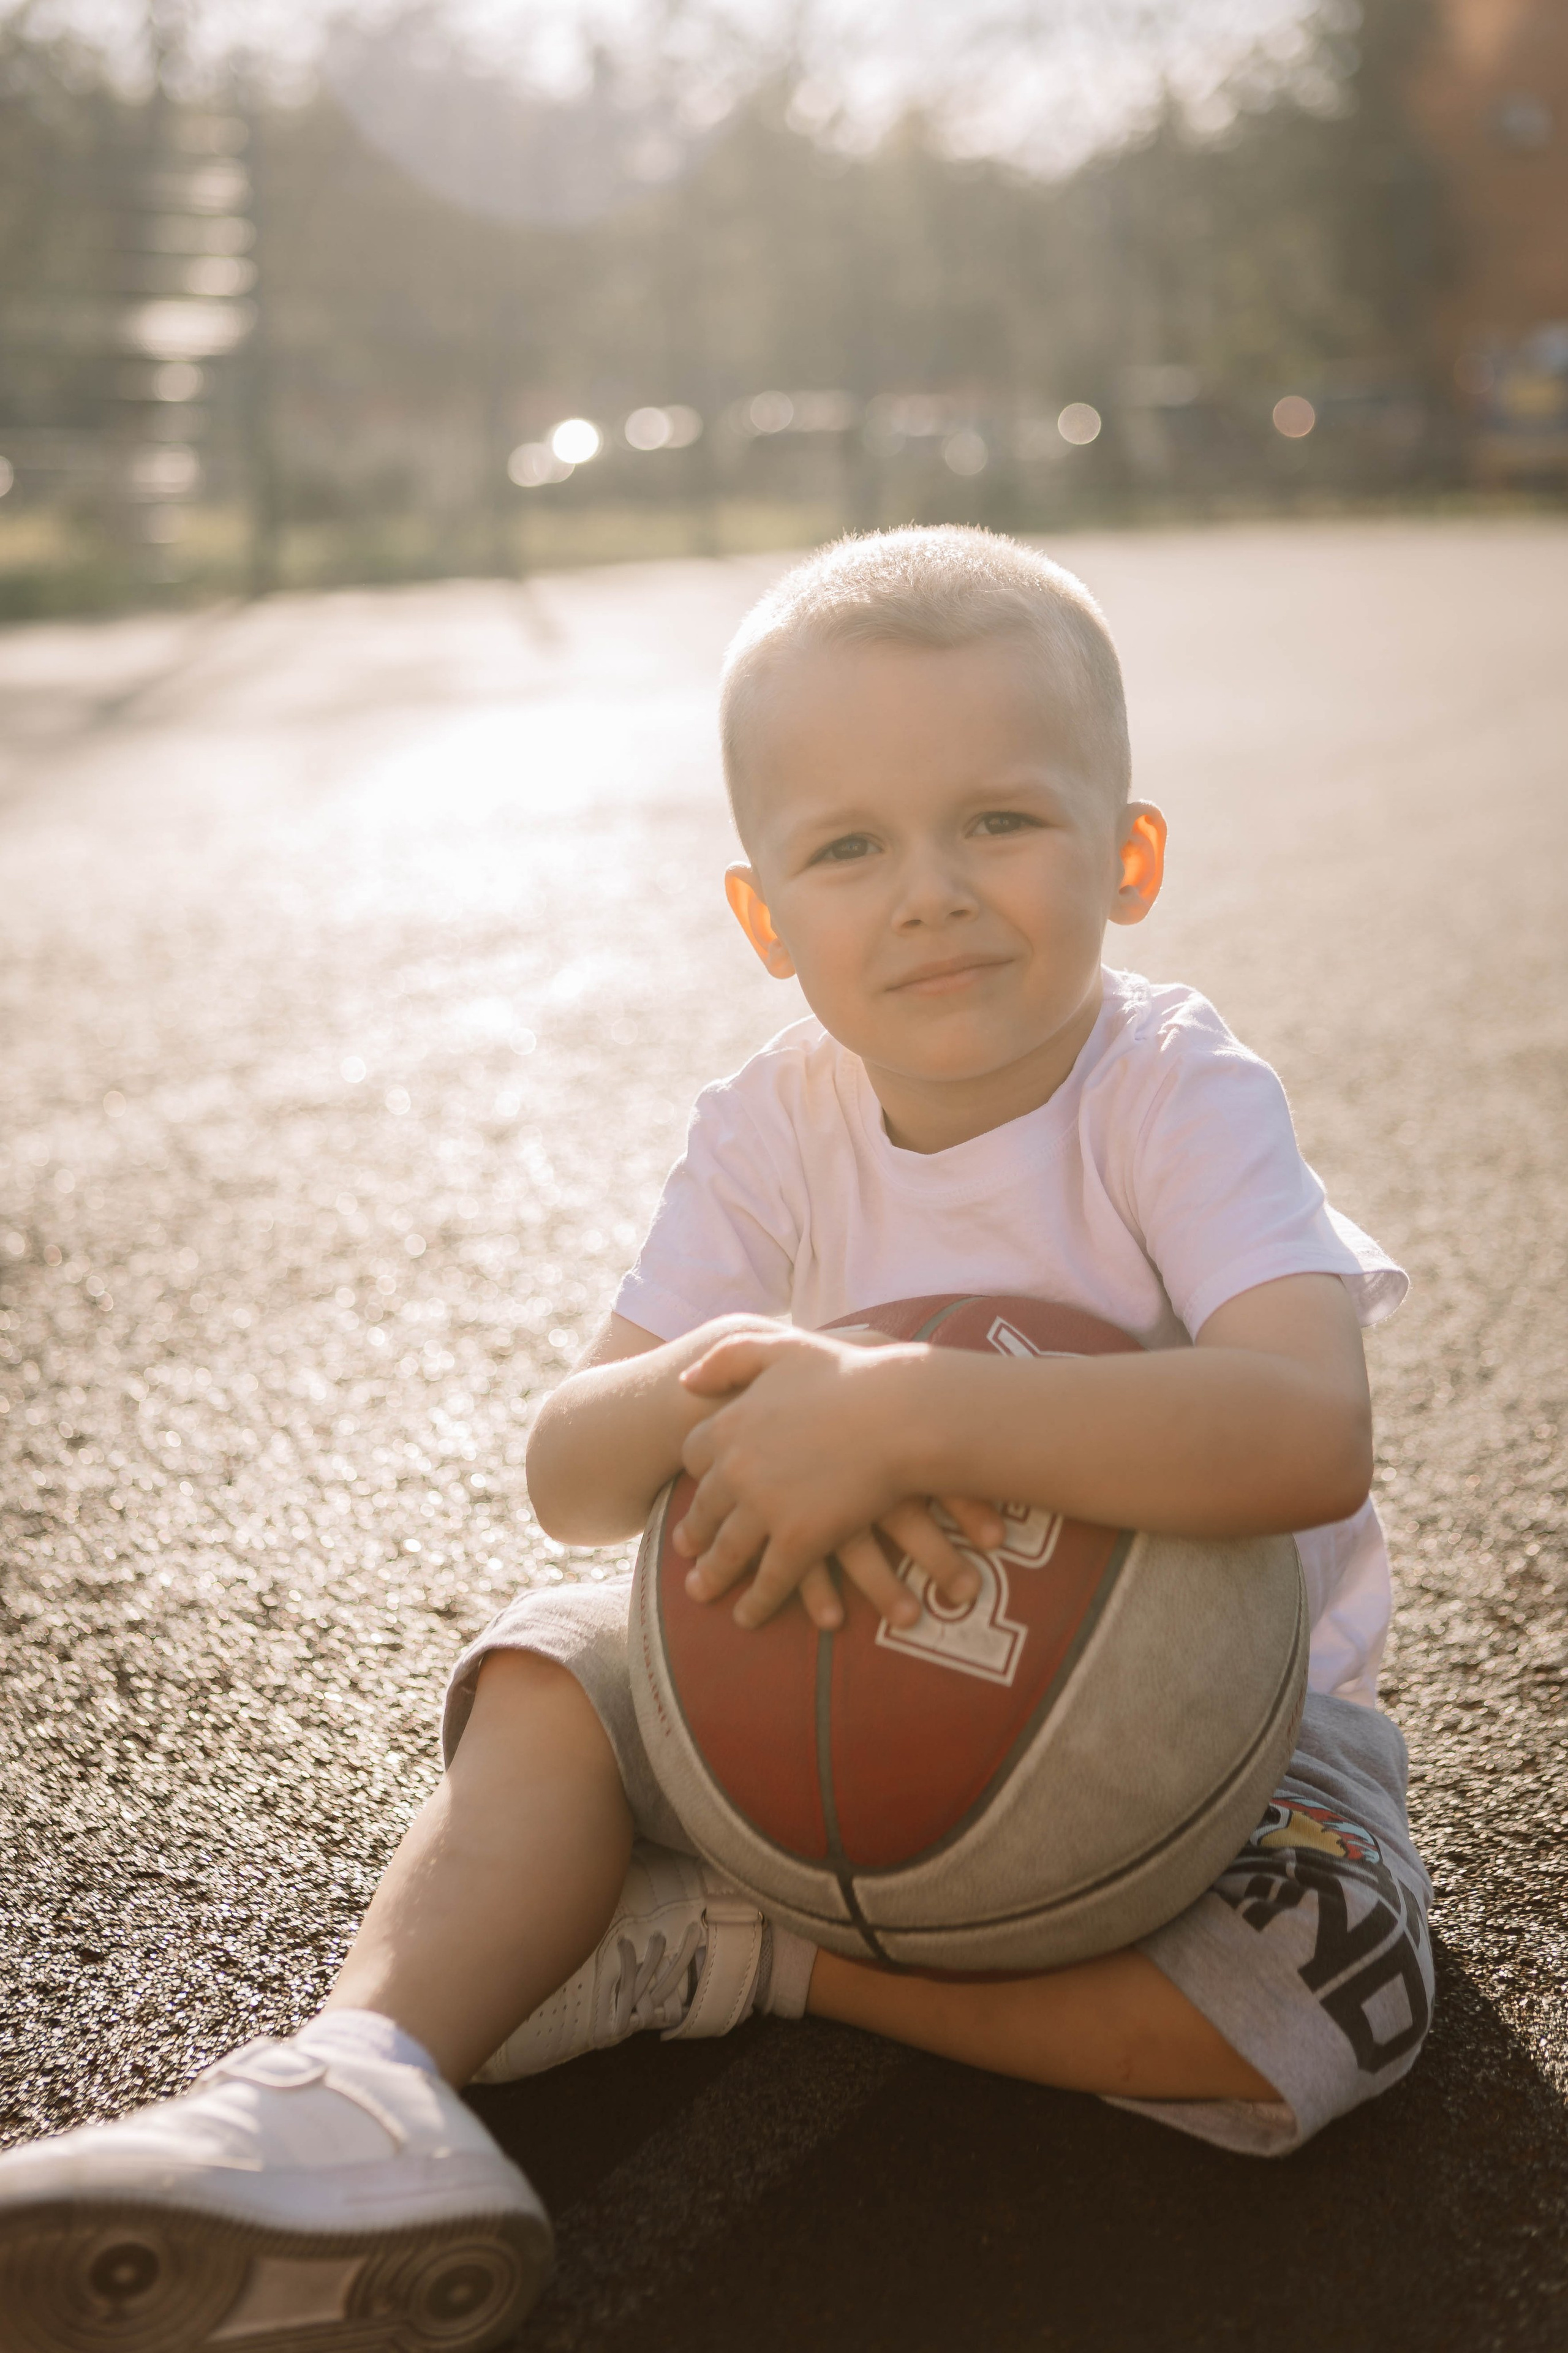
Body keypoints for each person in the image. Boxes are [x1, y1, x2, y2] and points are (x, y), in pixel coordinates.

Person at [0, 528, 1433, 2351]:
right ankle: (354, 2077)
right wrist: (754, 1377)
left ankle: (733, 1952)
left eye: (1000, 820)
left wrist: (903, 1406)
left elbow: (1309, 1428)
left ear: (1129, 856)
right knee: (548, 1661)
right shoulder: (772, 1128)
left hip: (1193, 1747)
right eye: (849, 847)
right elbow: (571, 1470)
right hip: (817, 1684)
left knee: (1325, 2010)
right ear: (763, 915)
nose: (930, 894)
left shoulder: (1174, 1093)